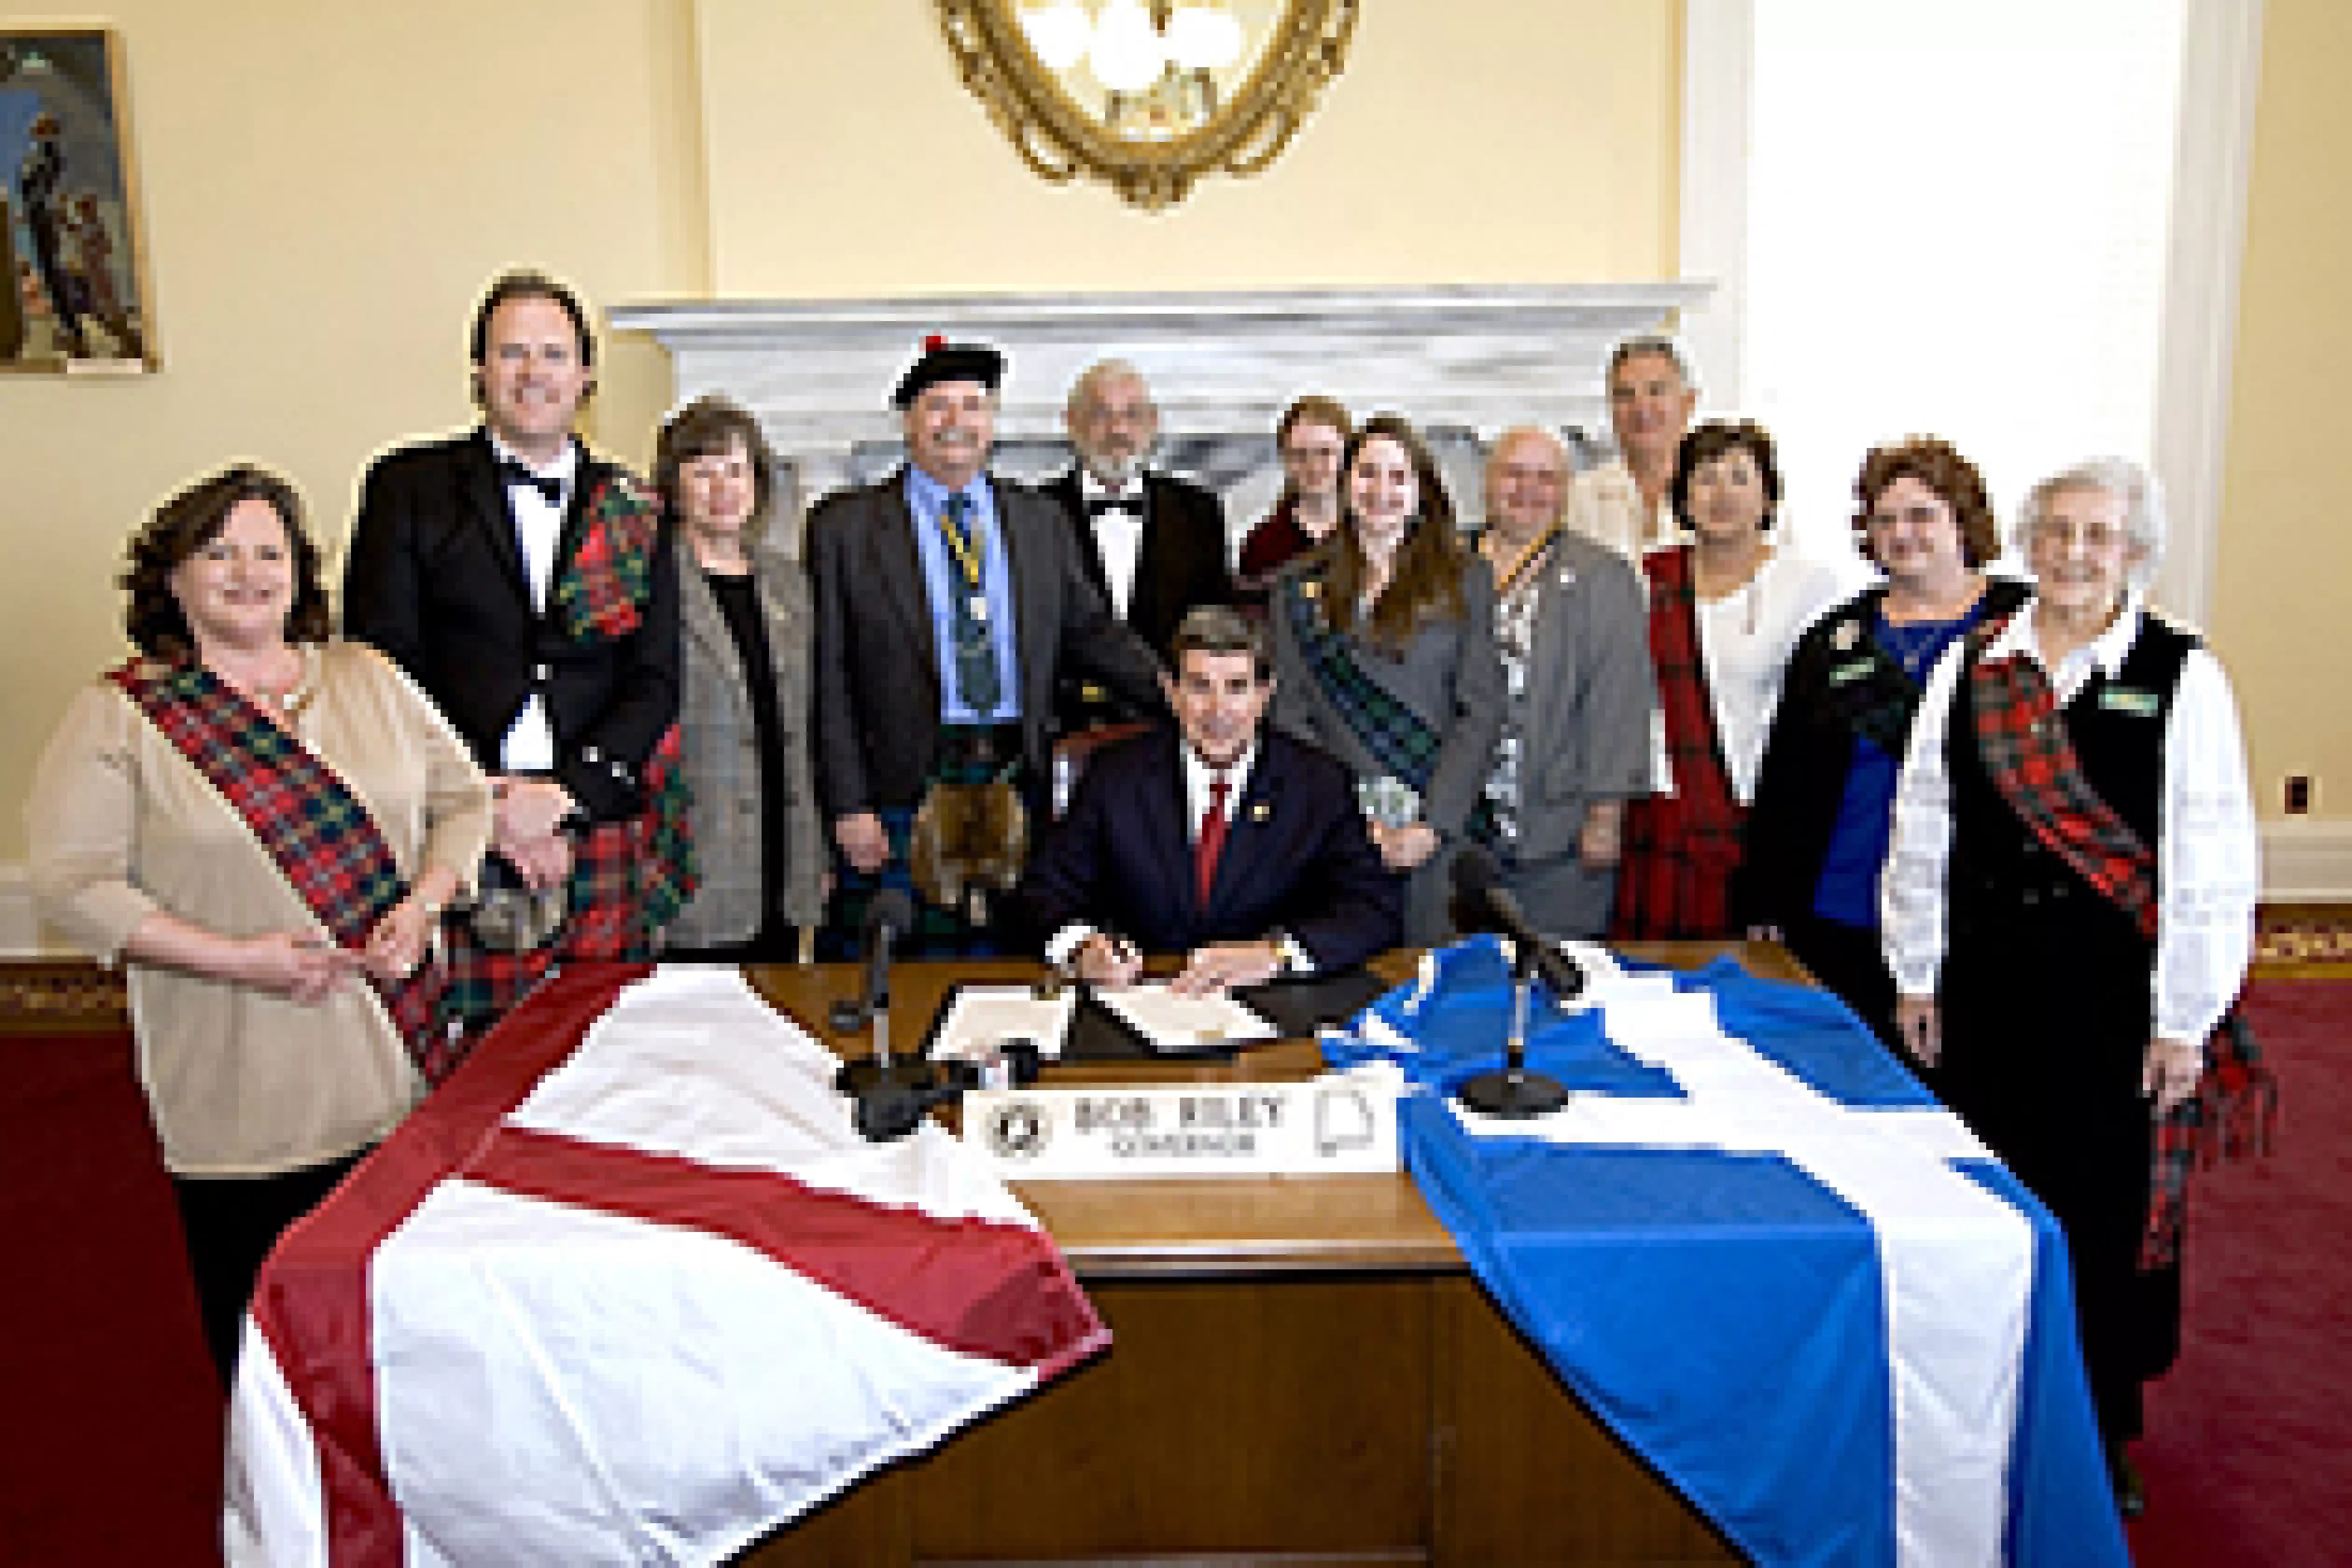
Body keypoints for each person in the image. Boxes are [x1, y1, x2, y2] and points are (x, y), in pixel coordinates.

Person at [26, 466, 491, 1384]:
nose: (248, 571)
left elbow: (464, 799)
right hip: (244, 1092)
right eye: (219, 551)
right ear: (172, 579)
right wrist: (236, 959)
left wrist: (427, 899)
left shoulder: (369, 678)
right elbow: (70, 882)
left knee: (395, 1338)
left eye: (269, 551)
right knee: (267, 1351)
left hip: (396, 1068)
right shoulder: (122, 716)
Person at [1883, 458, 2260, 1516]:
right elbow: (1926, 824)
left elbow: (2211, 856)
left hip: (2114, 1005)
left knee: (2103, 1212)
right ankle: (1986, 1409)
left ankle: (2098, 1425)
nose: (2075, 554)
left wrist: (2185, 1019)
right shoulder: (1972, 668)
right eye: (2056, 533)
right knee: (1990, 1201)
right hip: (1991, 988)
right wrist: (1918, 968)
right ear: (2026, 544)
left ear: (2136, 554)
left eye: (2099, 536)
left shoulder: (2184, 678)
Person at [342, 269, 687, 1037]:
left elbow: (656, 681)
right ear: (479, 372)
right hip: (455, 824)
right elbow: (381, 669)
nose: (535, 373)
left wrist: (561, 799)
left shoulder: (634, 507)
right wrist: (485, 808)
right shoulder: (408, 488)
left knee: (606, 1056)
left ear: (586, 374)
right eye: (513, 353)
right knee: (467, 1073)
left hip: (593, 817)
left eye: (554, 354)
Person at [806, 337, 1163, 954]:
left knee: (1013, 967)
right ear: (908, 421)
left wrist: (1178, 695)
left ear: (992, 421)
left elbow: (1093, 633)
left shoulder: (1038, 521)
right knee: (898, 970)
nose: (956, 423)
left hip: (1012, 778)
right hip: (900, 789)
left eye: (973, 406)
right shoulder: (844, 527)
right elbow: (828, 678)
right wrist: (848, 805)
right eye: (938, 406)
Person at [1737, 438, 2031, 1045]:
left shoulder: (2025, 627)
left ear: (1964, 519)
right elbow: (1785, 780)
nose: (1903, 533)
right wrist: (1762, 899)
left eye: (1922, 515)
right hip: (1842, 903)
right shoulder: (1833, 641)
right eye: (1885, 518)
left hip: (1979, 917)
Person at [1016, 606, 1400, 992]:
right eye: (1200, 686)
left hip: (1272, 1010)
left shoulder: (1318, 785)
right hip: (1142, 1003)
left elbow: (1372, 908)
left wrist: (1276, 955)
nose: (1218, 711)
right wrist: (1082, 949)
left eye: (1237, 687)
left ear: (1264, 695)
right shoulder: (1114, 777)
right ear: (1172, 693)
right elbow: (1041, 894)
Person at [1267, 413, 1504, 945]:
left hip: (1438, 824)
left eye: (1399, 477)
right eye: (1368, 473)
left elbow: (1481, 711)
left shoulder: (1466, 578)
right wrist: (1355, 823)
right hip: (1338, 829)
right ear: (1346, 482)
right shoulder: (1297, 588)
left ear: (1421, 492)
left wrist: (1432, 826)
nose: (1382, 491)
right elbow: (1290, 716)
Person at [1613, 420, 1842, 939]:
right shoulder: (1644, 579)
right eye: (1706, 477)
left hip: (1757, 825)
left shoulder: (1808, 584)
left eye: (1740, 478)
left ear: (1768, 495)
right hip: (1658, 814)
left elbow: (1822, 721)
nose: (1722, 494)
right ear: (1683, 494)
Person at [655, 394, 823, 961]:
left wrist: (815, 853)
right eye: (703, 472)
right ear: (674, 487)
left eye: (736, 470)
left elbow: (808, 725)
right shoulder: (652, 583)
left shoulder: (790, 584)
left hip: (783, 849)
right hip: (696, 851)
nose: (723, 487)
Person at [1472, 427, 1656, 938]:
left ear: (1565, 489)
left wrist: (1606, 817)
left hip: (1560, 831)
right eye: (1513, 473)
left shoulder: (1602, 576)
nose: (1527, 489)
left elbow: (1617, 702)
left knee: (1561, 982)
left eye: (1545, 477)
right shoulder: (1449, 565)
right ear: (1488, 482)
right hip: (1459, 830)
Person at [1038, 359, 1231, 733]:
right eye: (1100, 415)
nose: (1118, 430)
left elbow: (1216, 628)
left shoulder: (1198, 512)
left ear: (1154, 423)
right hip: (1064, 726)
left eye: (1132, 415)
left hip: (1173, 728)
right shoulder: (1034, 514)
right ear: (1071, 423)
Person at [1564, 335, 1697, 559]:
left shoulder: (1720, 494)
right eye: (1625, 395)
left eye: (1656, 391)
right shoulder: (1579, 500)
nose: (1641, 408)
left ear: (1689, 402)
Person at [1236, 394, 1352, 600]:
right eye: (1299, 454)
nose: (1313, 466)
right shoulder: (1263, 545)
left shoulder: (1375, 531)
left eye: (1325, 452)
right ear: (1285, 460)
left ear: (1349, 454)